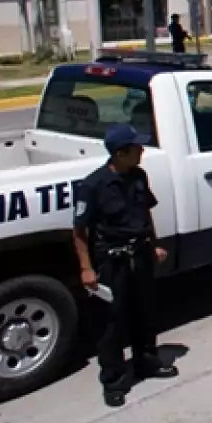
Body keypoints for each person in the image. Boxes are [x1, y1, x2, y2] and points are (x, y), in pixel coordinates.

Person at [72, 124, 179, 408]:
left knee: (145, 312)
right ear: (120, 153)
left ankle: (147, 363)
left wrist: (153, 244)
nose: (142, 151)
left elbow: (145, 212)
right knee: (112, 322)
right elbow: (80, 231)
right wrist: (86, 268)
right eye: (136, 148)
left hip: (140, 254)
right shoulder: (93, 186)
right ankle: (114, 380)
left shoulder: (139, 176)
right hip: (111, 260)